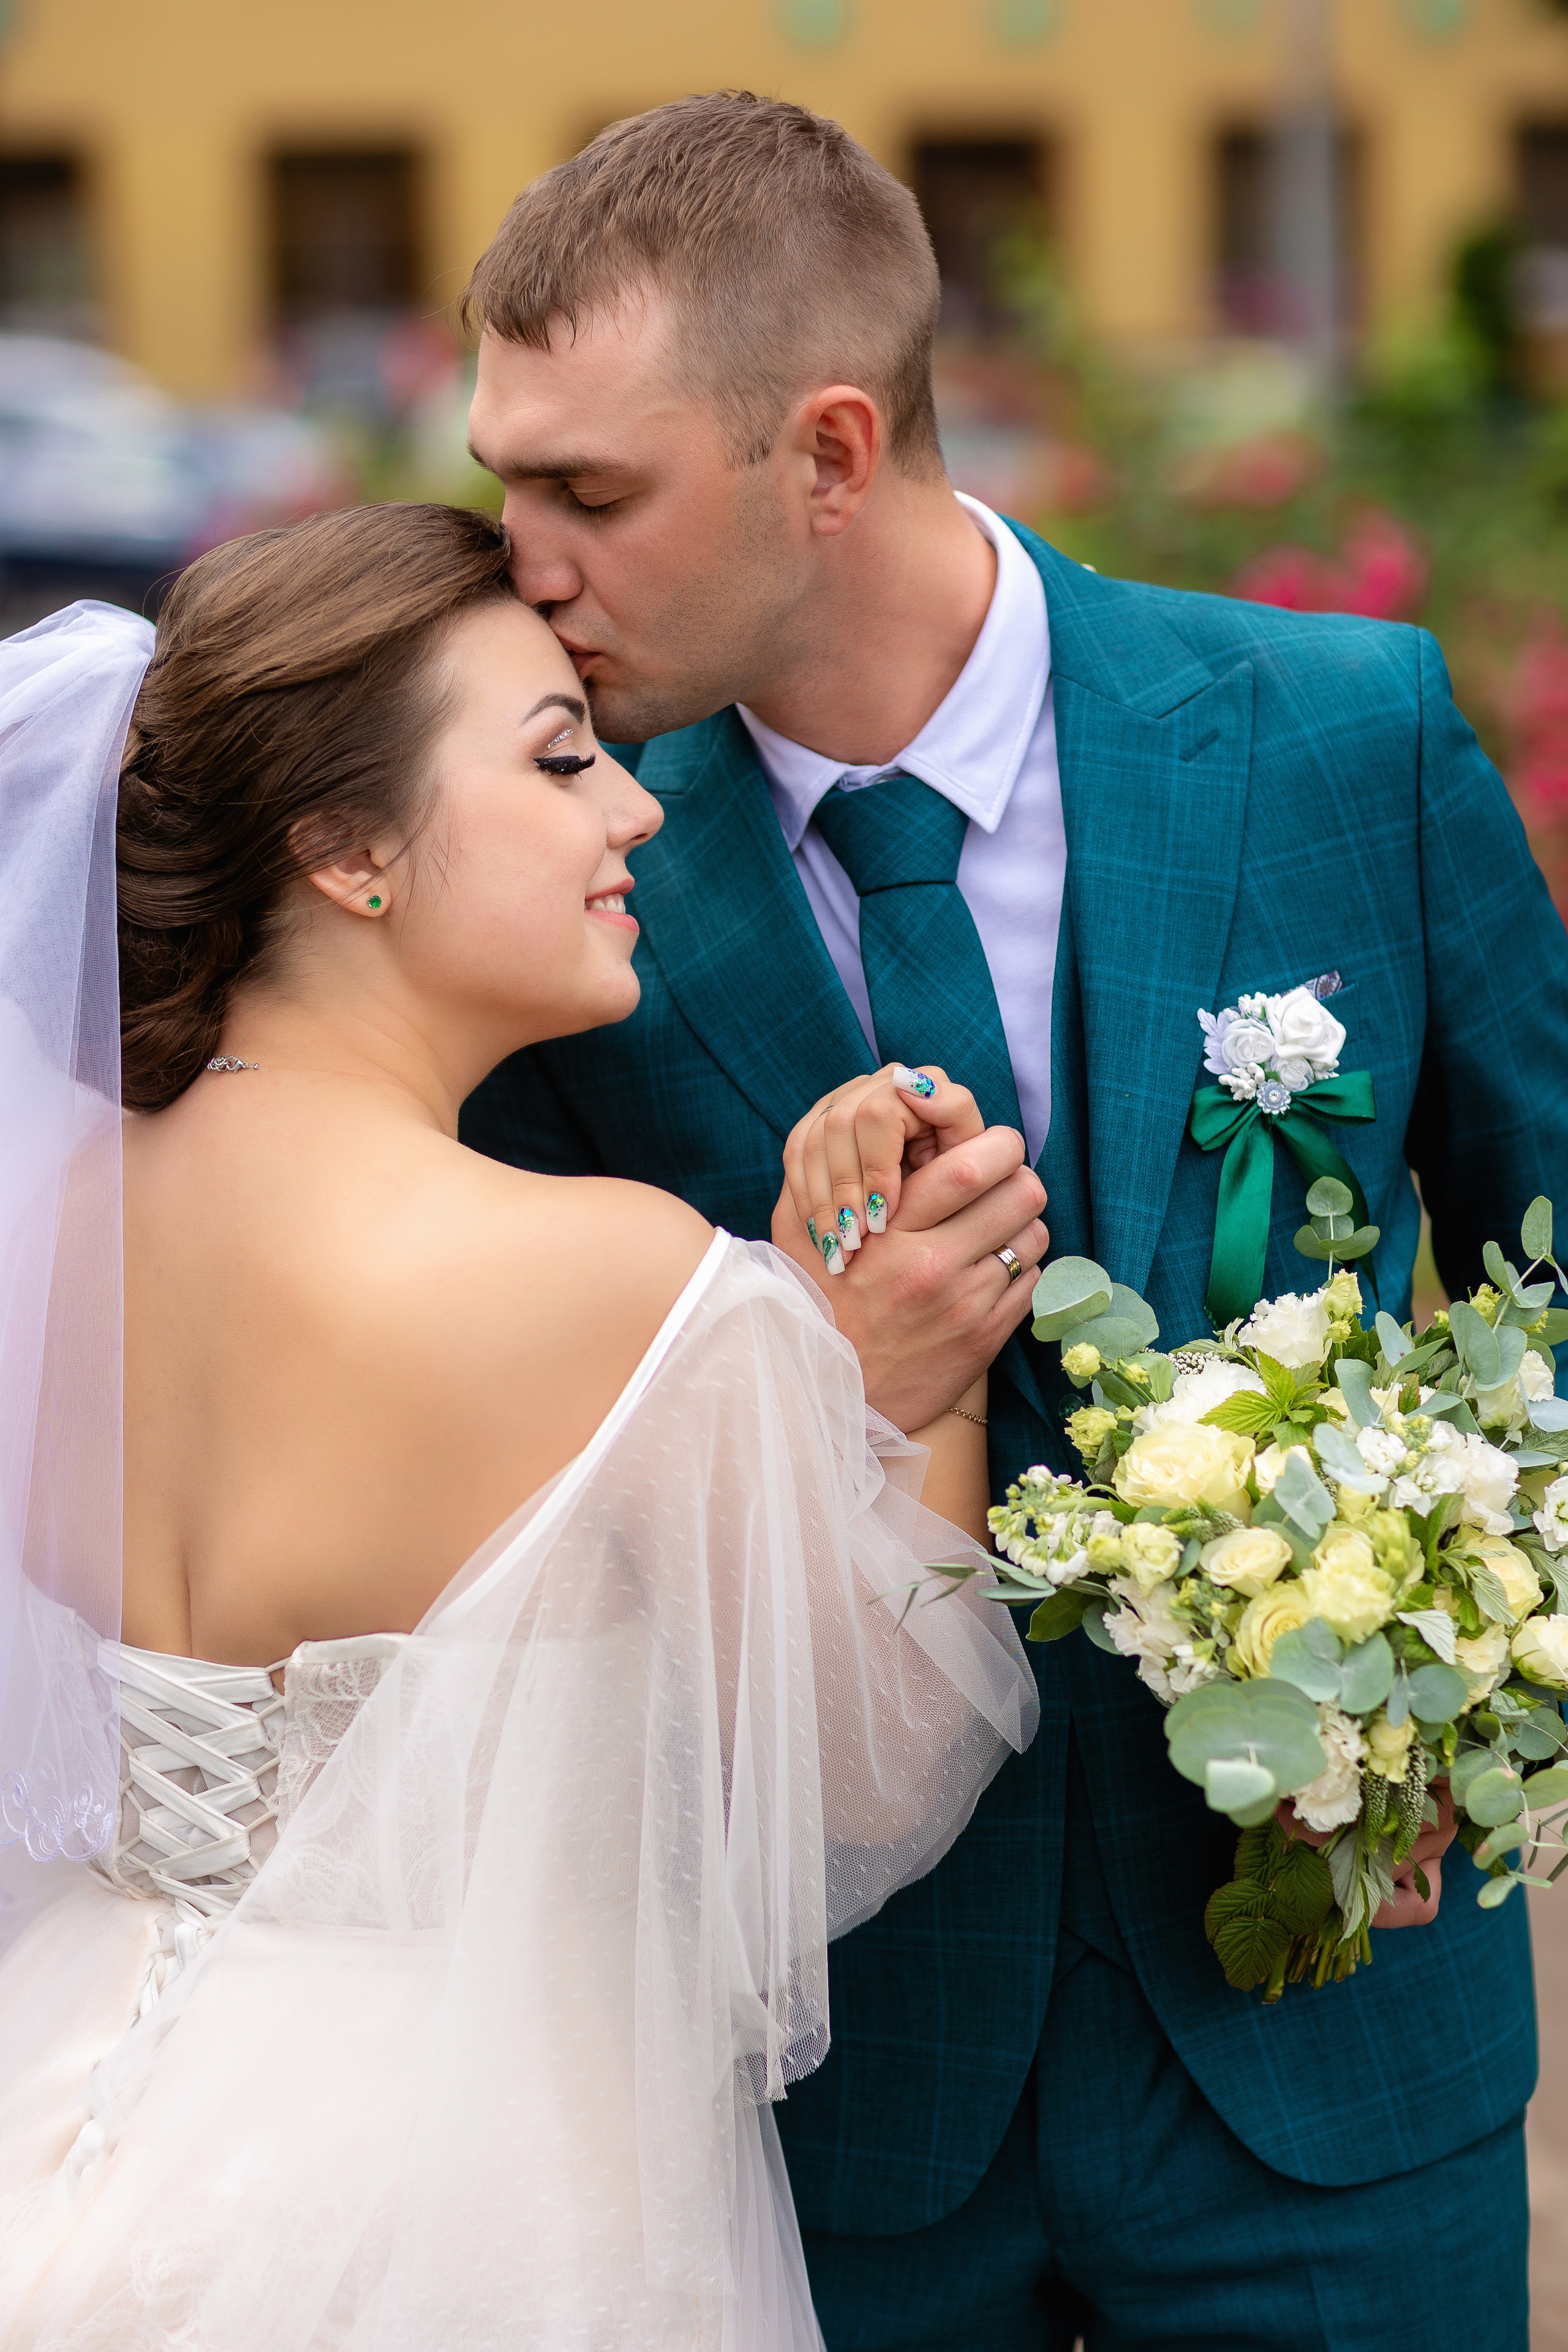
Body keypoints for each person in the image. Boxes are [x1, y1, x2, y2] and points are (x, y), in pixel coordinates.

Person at [460, 91, 1568, 2351]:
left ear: (832, 453)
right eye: (505, 480)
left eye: (589, 491)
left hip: (1333, 2052)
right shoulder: (547, 878)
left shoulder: (1340, 732)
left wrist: (1483, 1693)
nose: (524, 562)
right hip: (820, 2098)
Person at [0, 507, 1042, 2349]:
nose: (634, 810)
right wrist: (899, 1385)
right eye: (560, 760)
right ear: (346, 851)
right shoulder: (603, 1280)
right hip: (451, 2199)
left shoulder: (46, 1225)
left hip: (63, 2122)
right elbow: (872, 1778)